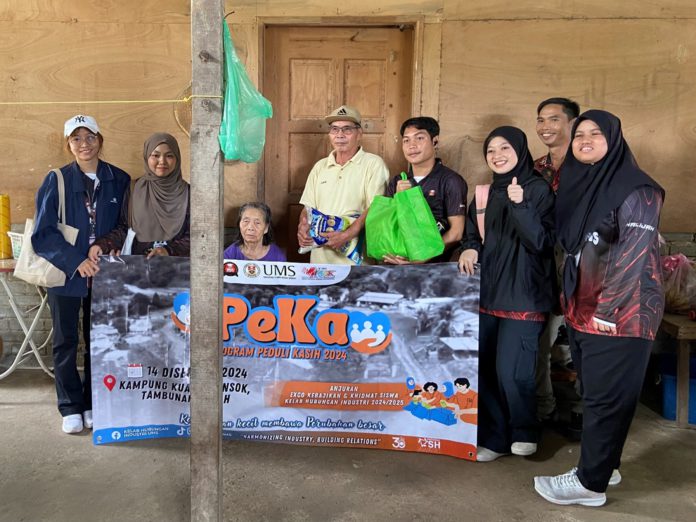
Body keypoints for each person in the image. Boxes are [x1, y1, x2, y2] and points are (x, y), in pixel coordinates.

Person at [534, 110, 665, 507]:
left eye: (595, 134)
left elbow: (633, 258)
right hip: (582, 309)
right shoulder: (581, 185)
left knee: (607, 398)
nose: (585, 140)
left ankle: (590, 484)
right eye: (579, 135)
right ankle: (605, 465)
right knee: (594, 393)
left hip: (620, 314)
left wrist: (607, 313)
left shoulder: (638, 189)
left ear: (614, 140)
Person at [458, 126, 555, 462]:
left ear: (520, 151)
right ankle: (495, 438)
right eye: (491, 150)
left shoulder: (538, 190)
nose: (497, 156)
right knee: (484, 370)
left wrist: (521, 205)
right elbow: (473, 235)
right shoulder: (483, 194)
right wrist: (470, 247)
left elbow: (541, 242)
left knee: (513, 372)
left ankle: (524, 431)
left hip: (524, 295)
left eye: (504, 148)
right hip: (486, 294)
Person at [32, 115, 130, 434]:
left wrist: (103, 245)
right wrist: (76, 261)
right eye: (76, 138)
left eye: (90, 137)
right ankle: (70, 405)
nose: (84, 144)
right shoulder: (56, 180)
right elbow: (43, 234)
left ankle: (92, 402)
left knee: (98, 340)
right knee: (65, 340)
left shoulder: (119, 179)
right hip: (66, 273)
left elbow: (124, 225)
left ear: (100, 140)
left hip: (104, 272)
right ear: (68, 144)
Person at [533, 98, 580, 426]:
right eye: (540, 119)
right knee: (540, 338)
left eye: (553, 119)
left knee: (584, 340)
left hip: (582, 263)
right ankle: (544, 407)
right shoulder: (535, 168)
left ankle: (582, 409)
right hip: (542, 262)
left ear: (572, 124)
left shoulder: (589, 165)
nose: (545, 126)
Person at [297, 105, 389, 264]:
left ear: (359, 134)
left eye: (347, 129)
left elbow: (376, 208)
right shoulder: (320, 166)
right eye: (335, 129)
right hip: (321, 261)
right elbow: (308, 207)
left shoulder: (373, 164)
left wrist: (348, 234)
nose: (340, 135)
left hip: (356, 260)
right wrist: (303, 226)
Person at [383, 116, 468, 264]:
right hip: (397, 263)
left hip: (435, 267)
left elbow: (456, 233)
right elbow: (387, 225)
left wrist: (421, 259)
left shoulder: (450, 180)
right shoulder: (397, 181)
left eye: (419, 138)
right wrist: (399, 199)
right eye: (406, 140)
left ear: (435, 141)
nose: (412, 145)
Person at [90, 132, 189, 258]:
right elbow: (124, 228)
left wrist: (168, 251)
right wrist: (102, 245)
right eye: (155, 155)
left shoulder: (189, 193)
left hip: (177, 266)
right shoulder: (134, 188)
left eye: (169, 155)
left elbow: (196, 236)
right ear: (147, 157)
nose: (162, 161)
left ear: (177, 159)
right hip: (138, 266)